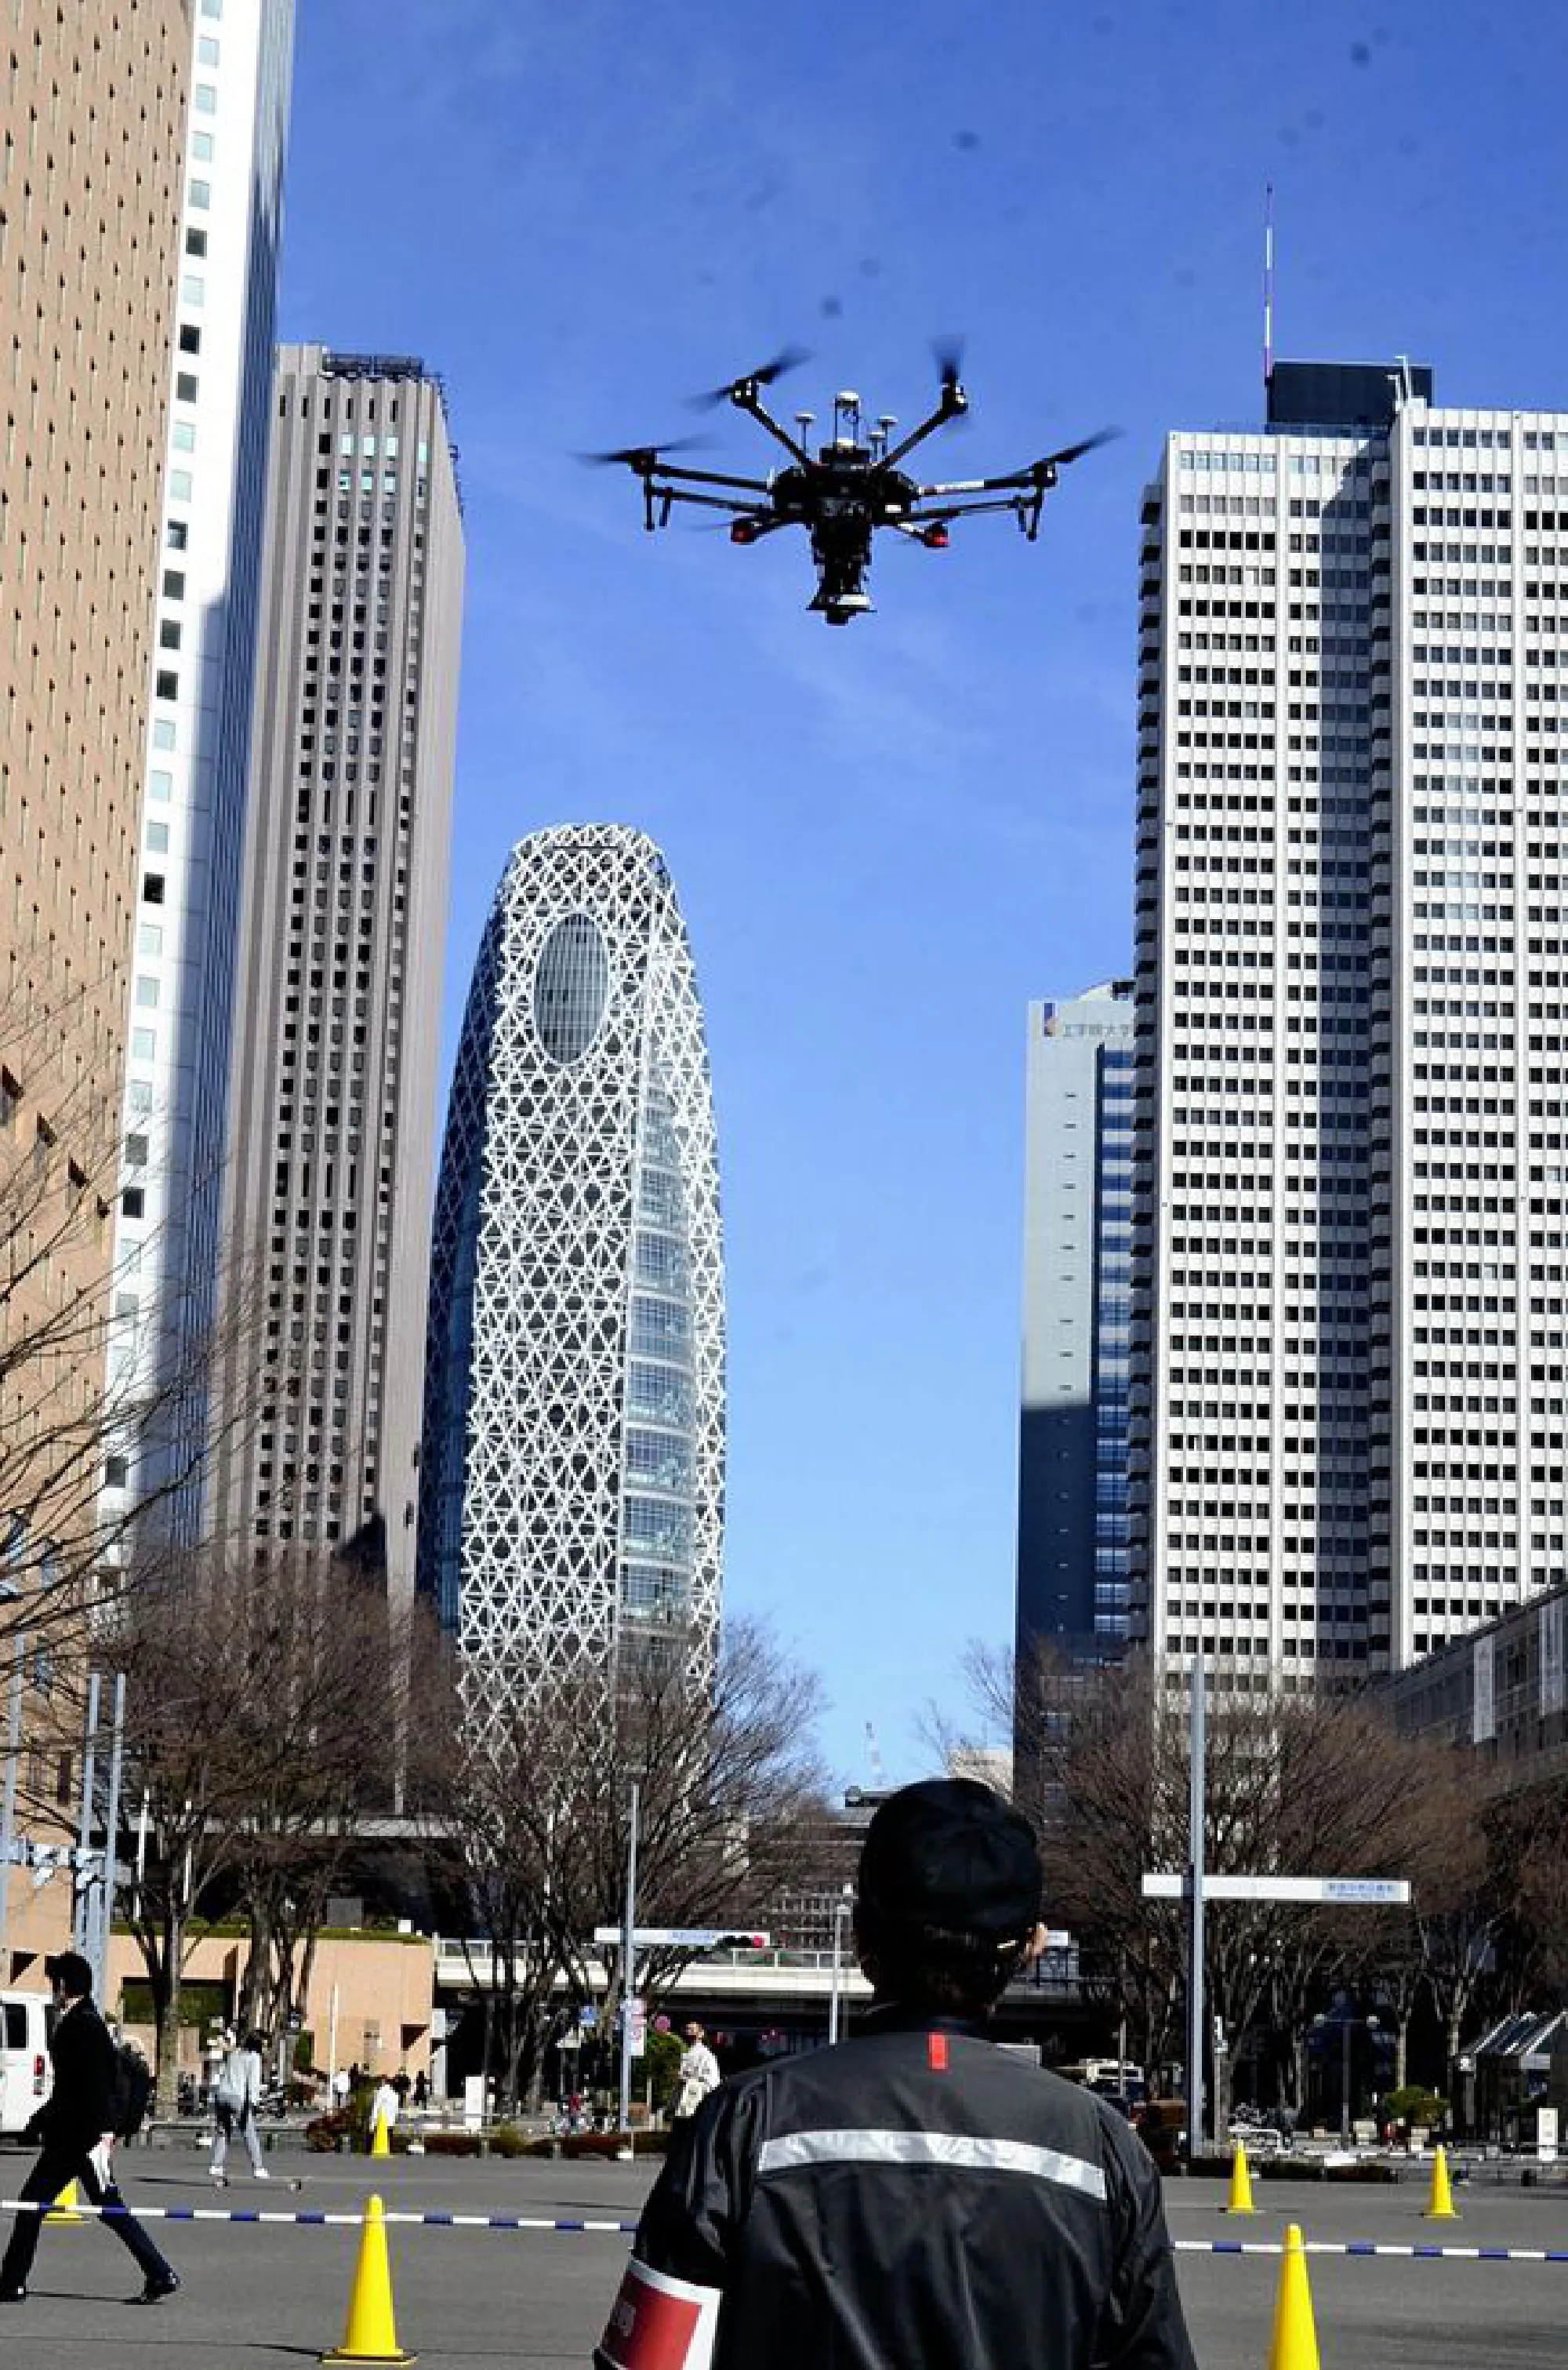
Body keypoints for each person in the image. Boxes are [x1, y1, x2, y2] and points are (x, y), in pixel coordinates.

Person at [612, 1779, 1198, 2370]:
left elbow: (647, 2360)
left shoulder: (746, 2122)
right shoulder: (1101, 2148)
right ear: (1030, 1947)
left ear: (863, 1934)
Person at [0, 1951, 180, 2306]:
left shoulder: (83, 2026)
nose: (54, 1990)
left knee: (37, 2204)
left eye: (56, 1983)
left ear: (64, 1985)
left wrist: (103, 2132)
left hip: (79, 2138)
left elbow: (93, 2087)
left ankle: (13, 2282)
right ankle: (159, 2272)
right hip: (78, 2136)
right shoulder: (85, 2021)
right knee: (104, 2206)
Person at [209, 2026, 270, 2186]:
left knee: (224, 2130)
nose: (266, 2047)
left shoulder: (234, 2053)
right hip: (237, 2097)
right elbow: (253, 2083)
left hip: (221, 2095)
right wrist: (254, 2103)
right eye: (265, 2044)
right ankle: (259, 2168)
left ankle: (216, 2165)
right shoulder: (254, 2057)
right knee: (249, 2133)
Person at [673, 2021, 720, 2121]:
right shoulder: (679, 2050)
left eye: (692, 2030)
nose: (689, 2033)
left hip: (696, 2102)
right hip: (678, 2099)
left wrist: (689, 2081)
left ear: (701, 2033)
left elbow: (712, 2082)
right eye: (687, 2029)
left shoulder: (707, 2056)